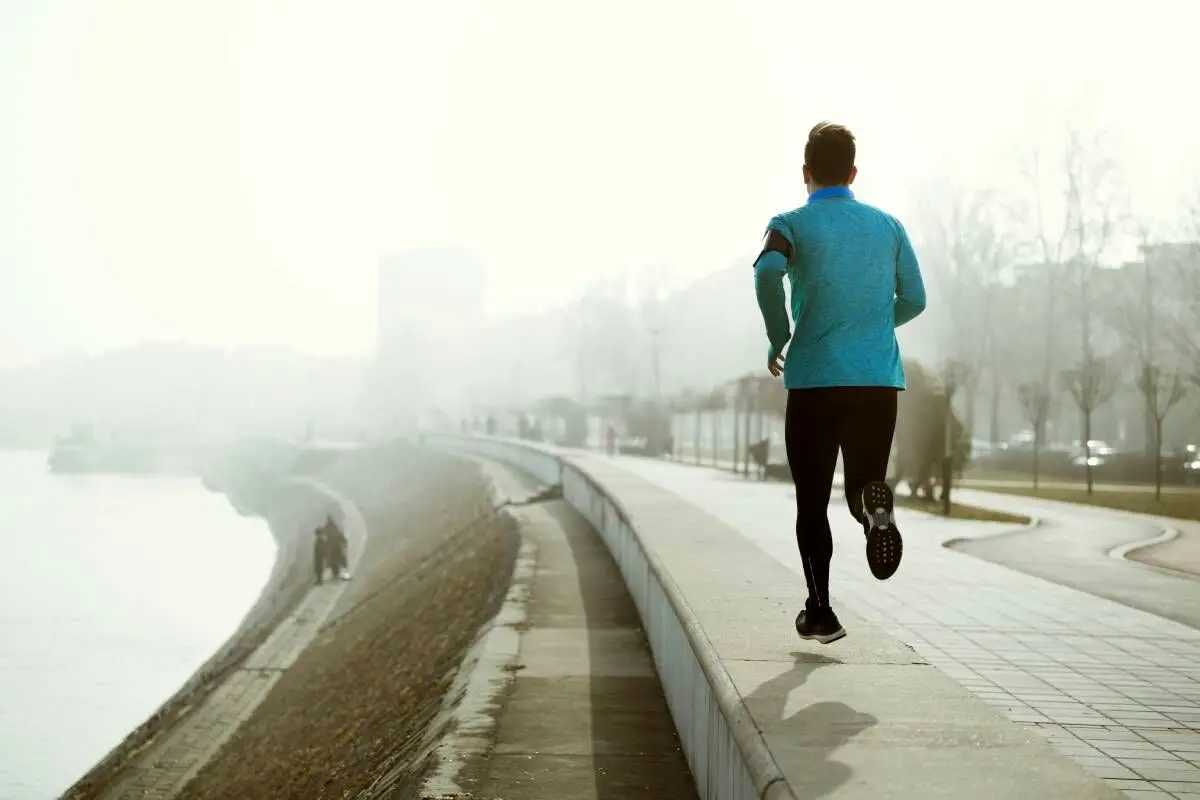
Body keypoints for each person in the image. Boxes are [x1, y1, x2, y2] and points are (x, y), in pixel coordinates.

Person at [753, 122, 927, 645]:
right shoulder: (889, 227)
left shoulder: (789, 224)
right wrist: (869, 325)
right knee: (862, 484)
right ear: (853, 174)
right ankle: (873, 512)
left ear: (805, 172)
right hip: (876, 382)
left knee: (812, 501)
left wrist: (780, 335)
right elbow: (915, 299)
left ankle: (821, 610)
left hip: (814, 382)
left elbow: (766, 272)